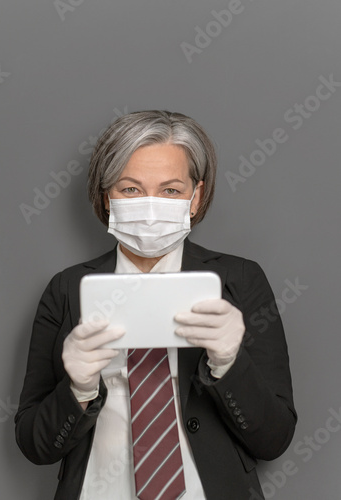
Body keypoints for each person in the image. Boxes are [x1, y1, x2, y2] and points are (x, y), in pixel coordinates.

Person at [15, 110, 296, 500]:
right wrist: (77, 390)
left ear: (195, 197)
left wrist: (230, 365)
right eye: (130, 189)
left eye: (170, 191)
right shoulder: (66, 289)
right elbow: (34, 444)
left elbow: (275, 439)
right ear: (105, 196)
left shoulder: (240, 281)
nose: (150, 207)